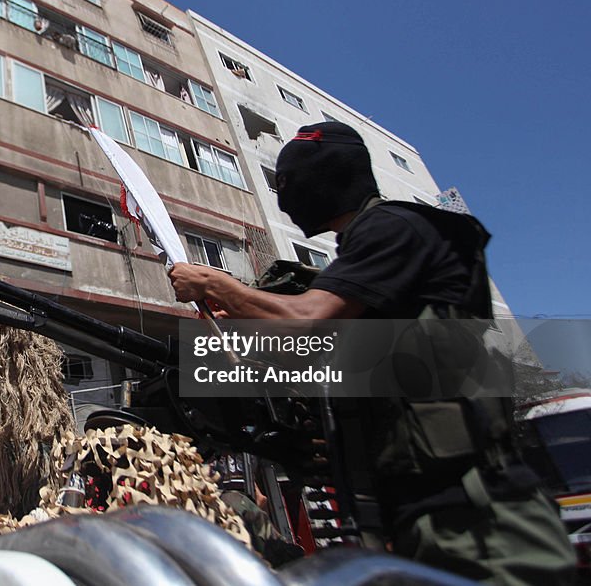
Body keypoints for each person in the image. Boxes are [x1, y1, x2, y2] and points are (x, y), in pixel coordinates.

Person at [169, 122, 575, 585]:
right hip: (423, 518)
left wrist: (217, 284)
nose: (284, 198)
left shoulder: (395, 227)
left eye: (286, 184)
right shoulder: (366, 263)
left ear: (327, 176)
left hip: (479, 523)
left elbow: (308, 320)